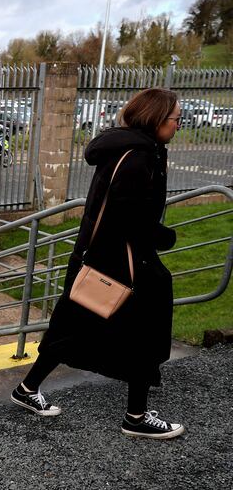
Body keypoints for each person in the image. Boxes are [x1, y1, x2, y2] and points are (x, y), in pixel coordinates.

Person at [10, 88, 184, 439]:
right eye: (176, 119)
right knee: (143, 333)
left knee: (72, 326)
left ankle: (27, 390)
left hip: (100, 258)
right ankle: (135, 417)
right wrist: (163, 237)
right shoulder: (138, 157)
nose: (179, 125)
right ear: (156, 119)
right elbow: (128, 216)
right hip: (122, 261)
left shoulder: (126, 147)